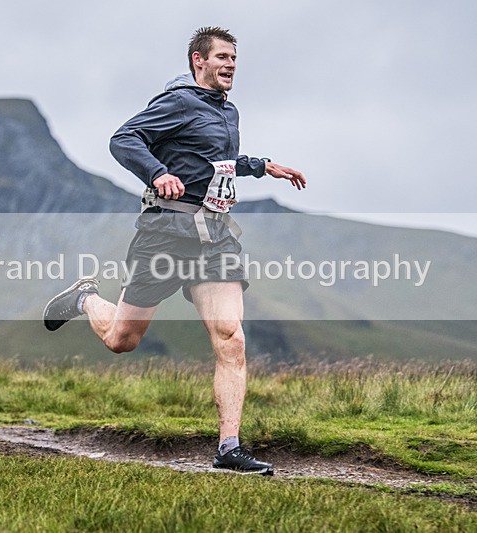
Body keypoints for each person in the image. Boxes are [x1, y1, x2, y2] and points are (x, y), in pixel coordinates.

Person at [43, 27, 305, 475]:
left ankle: (229, 447)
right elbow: (124, 140)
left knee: (231, 336)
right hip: (164, 231)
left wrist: (261, 166)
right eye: (222, 57)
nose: (230, 65)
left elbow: (213, 164)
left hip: (215, 237)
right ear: (197, 61)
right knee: (122, 340)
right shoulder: (178, 102)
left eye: (234, 59)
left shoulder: (229, 112)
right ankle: (85, 297)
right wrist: (158, 172)